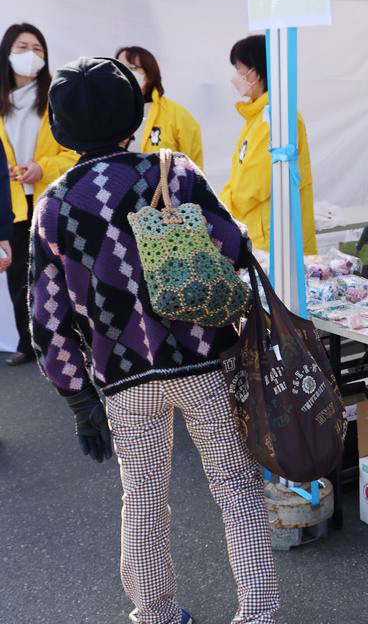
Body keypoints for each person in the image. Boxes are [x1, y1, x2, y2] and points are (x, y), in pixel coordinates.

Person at [30, 56, 284, 624]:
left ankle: (157, 611)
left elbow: (46, 318)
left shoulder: (53, 205)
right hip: (203, 363)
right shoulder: (174, 171)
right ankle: (259, 612)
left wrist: (77, 399)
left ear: (62, 129)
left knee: (143, 500)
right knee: (236, 490)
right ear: (134, 113)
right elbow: (234, 246)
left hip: (122, 380)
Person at [0, 22, 76, 366]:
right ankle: (28, 343)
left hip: (49, 198)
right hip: (11, 201)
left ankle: (69, 339)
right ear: (7, 52)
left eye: (38, 49)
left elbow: (73, 152)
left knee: (60, 270)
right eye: (22, 47)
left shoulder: (56, 97)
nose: (31, 55)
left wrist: (42, 167)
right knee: (18, 275)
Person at [219, 34, 316, 254]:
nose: (235, 76)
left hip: (271, 237)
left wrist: (222, 208)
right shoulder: (257, 116)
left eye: (238, 68)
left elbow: (254, 183)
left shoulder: (276, 117)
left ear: (255, 71)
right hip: (258, 231)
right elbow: (238, 175)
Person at [116, 45, 204, 167]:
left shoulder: (176, 115)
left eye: (132, 67)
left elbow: (193, 168)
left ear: (149, 73)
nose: (124, 73)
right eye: (119, 68)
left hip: (162, 185)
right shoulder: (105, 113)